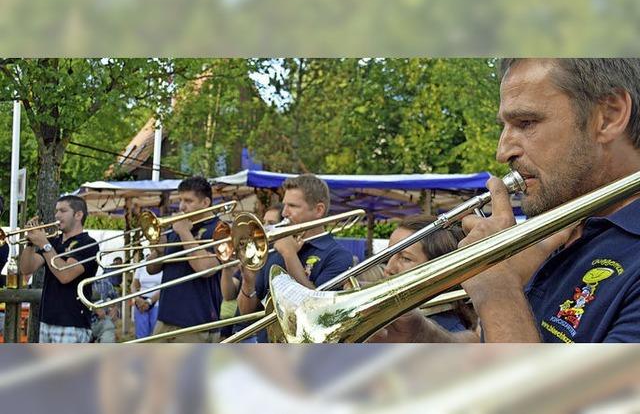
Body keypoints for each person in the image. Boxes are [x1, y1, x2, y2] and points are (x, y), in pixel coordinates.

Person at [375, 58, 640, 343]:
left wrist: (497, 289)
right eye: (505, 125)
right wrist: (424, 338)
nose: (502, 152)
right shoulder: (562, 226)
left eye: (526, 123)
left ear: (610, 115)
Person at [237, 174, 354, 342]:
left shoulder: (337, 255)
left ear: (319, 210)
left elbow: (317, 312)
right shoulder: (274, 249)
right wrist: (248, 282)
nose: (284, 213)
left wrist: (290, 255)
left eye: (292, 206)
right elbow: (246, 314)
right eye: (285, 205)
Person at [146, 176, 224, 343]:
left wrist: (184, 233)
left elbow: (205, 269)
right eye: (180, 200)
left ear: (205, 202)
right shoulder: (177, 226)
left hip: (196, 322)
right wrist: (158, 252)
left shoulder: (219, 229)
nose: (182, 206)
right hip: (166, 317)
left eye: (188, 201)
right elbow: (152, 269)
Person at [19, 195, 98, 343]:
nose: (57, 215)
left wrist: (44, 244)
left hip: (72, 322)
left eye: (63, 210)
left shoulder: (88, 244)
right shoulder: (53, 242)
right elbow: (26, 268)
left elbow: (65, 275)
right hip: (47, 320)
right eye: (56, 211)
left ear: (78, 215)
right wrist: (30, 243)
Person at [378, 214, 477, 333]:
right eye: (389, 256)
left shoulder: (450, 334)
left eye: (405, 258)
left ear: (438, 271)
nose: (388, 268)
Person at [220, 203, 283, 341]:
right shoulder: (254, 253)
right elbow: (228, 294)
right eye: (264, 222)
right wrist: (226, 268)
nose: (265, 227)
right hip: (238, 330)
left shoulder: (279, 258)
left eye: (271, 223)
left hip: (256, 335)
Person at [130, 259, 162, 339]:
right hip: (140, 303)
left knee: (156, 334)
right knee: (141, 336)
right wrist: (137, 298)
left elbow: (165, 287)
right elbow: (133, 285)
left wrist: (149, 301)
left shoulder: (163, 262)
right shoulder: (142, 263)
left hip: (157, 303)